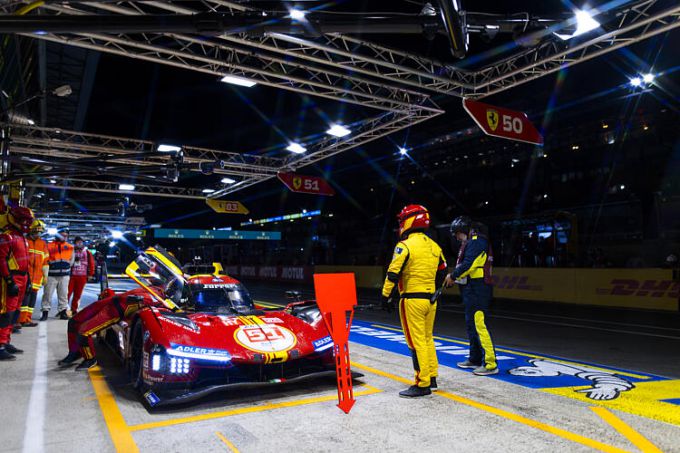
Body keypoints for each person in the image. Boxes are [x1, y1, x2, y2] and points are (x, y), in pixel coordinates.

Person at [381, 204, 447, 398]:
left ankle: (422, 383)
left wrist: (386, 296)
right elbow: (443, 272)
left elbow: (393, 273)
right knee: (427, 339)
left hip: (412, 300)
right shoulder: (435, 246)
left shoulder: (405, 245)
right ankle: (432, 377)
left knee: (415, 341)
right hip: (431, 300)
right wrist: (436, 292)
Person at [444, 216, 498, 376]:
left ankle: (490, 363)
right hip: (471, 288)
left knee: (479, 325)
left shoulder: (477, 241)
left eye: (457, 234)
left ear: (463, 231)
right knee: (471, 325)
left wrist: (453, 276)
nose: (456, 237)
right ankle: (475, 358)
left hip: (479, 288)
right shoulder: (470, 242)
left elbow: (469, 263)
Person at [0, 206, 34, 360]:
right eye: (23, 220)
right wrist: (9, 281)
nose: (26, 223)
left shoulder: (22, 238)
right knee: (6, 312)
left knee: (14, 312)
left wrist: (28, 280)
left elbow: (24, 261)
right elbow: (1, 260)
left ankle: (6, 342)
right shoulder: (7, 236)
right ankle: (0, 345)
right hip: (11, 278)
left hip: (22, 277)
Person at [16, 219, 49, 327]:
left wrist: (45, 276)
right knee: (23, 299)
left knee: (32, 300)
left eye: (40, 231)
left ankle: (27, 319)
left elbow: (45, 261)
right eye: (36, 231)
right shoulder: (25, 241)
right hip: (26, 275)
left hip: (37, 277)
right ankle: (20, 320)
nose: (38, 233)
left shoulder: (42, 244)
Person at [41, 228, 74, 321]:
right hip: (51, 275)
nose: (65, 237)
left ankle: (63, 312)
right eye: (63, 235)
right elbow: (45, 259)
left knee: (63, 295)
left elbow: (71, 261)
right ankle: (45, 312)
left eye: (66, 235)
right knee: (47, 295)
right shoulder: (49, 246)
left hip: (64, 275)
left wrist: (65, 268)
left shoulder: (70, 247)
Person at [68, 237, 95, 314]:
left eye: (81, 242)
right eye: (77, 242)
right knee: (67, 293)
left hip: (82, 276)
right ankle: (64, 310)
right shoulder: (71, 251)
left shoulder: (87, 252)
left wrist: (91, 274)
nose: (79, 243)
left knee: (78, 294)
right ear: (75, 243)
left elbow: (91, 263)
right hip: (72, 276)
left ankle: (74, 309)